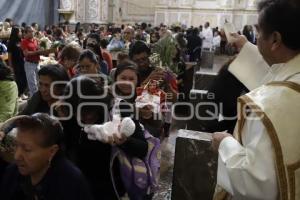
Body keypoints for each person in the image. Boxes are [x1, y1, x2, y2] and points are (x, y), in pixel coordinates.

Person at [212, 0, 300, 199]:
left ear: (275, 39)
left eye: (259, 33)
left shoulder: (269, 107)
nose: (256, 39)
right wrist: (247, 48)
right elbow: (277, 74)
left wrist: (226, 144)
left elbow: (254, 185)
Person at [59, 76, 148, 199]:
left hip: (114, 185)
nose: (84, 118)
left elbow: (142, 148)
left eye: (88, 111)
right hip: (83, 185)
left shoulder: (120, 109)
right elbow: (69, 146)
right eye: (77, 113)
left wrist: (124, 141)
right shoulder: (72, 115)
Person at [0, 113, 94, 200]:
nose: (16, 156)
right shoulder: (12, 173)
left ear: (52, 151)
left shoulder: (71, 184)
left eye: (27, 149)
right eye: (16, 145)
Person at [129, 41, 178, 138]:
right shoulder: (129, 74)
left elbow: (174, 99)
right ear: (131, 60)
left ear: (150, 57)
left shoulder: (158, 72)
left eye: (144, 59)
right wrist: (148, 81)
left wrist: (167, 84)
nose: (141, 63)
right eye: (137, 61)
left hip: (154, 122)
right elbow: (128, 98)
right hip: (132, 118)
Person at [21, 26, 56, 97]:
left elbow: (39, 50)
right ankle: (34, 100)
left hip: (37, 63)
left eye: (33, 31)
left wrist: (45, 50)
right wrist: (38, 52)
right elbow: (26, 53)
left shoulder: (35, 40)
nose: (32, 33)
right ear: (26, 33)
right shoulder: (24, 41)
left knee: (39, 82)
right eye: (30, 32)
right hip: (29, 64)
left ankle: (38, 98)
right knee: (32, 84)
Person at [7, 26, 27, 97]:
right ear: (16, 32)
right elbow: (9, 56)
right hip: (15, 63)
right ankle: (18, 94)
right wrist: (10, 66)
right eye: (20, 31)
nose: (21, 33)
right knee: (18, 79)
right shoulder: (11, 43)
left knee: (24, 78)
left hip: (22, 62)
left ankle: (22, 93)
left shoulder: (21, 41)